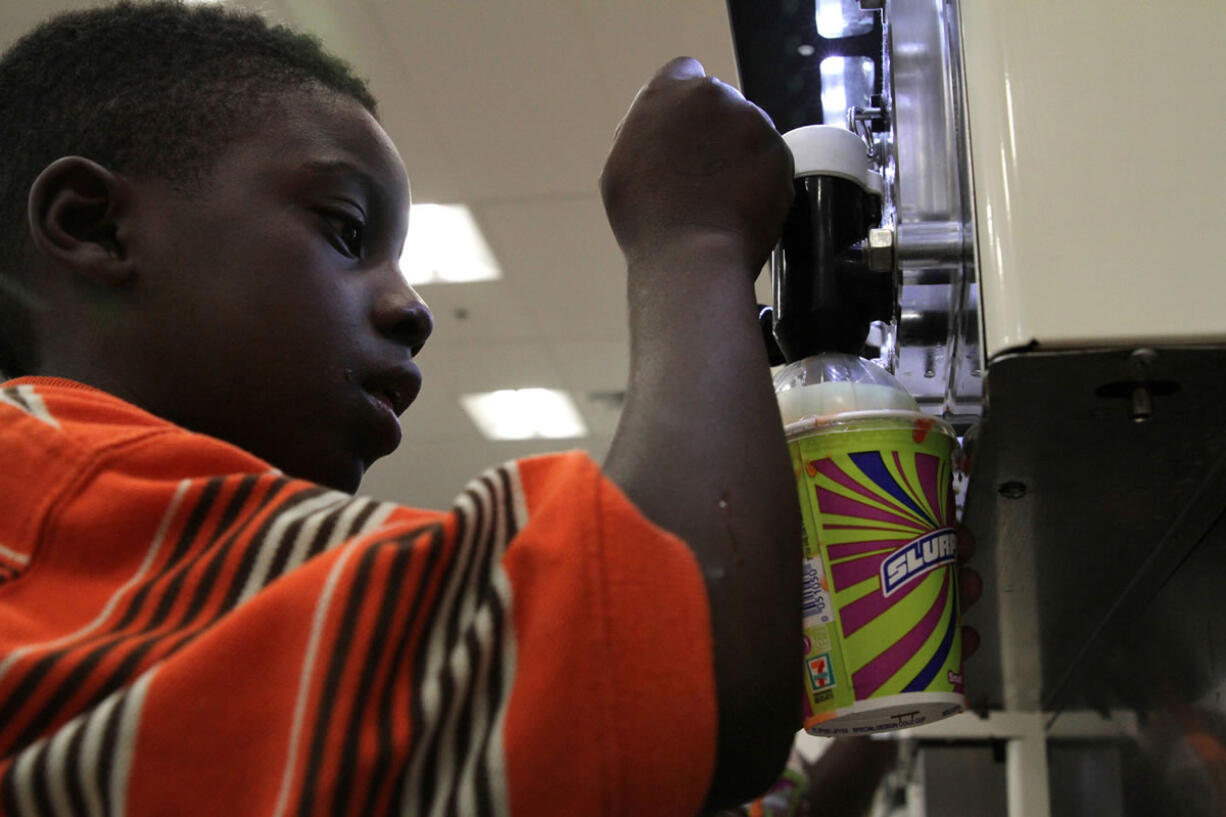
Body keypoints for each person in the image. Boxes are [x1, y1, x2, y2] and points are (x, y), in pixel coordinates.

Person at [0, 3, 979, 816]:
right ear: (91, 227)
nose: (409, 305)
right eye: (346, 232)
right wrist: (689, 238)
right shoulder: (45, 499)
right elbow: (675, 674)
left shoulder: (167, 606)